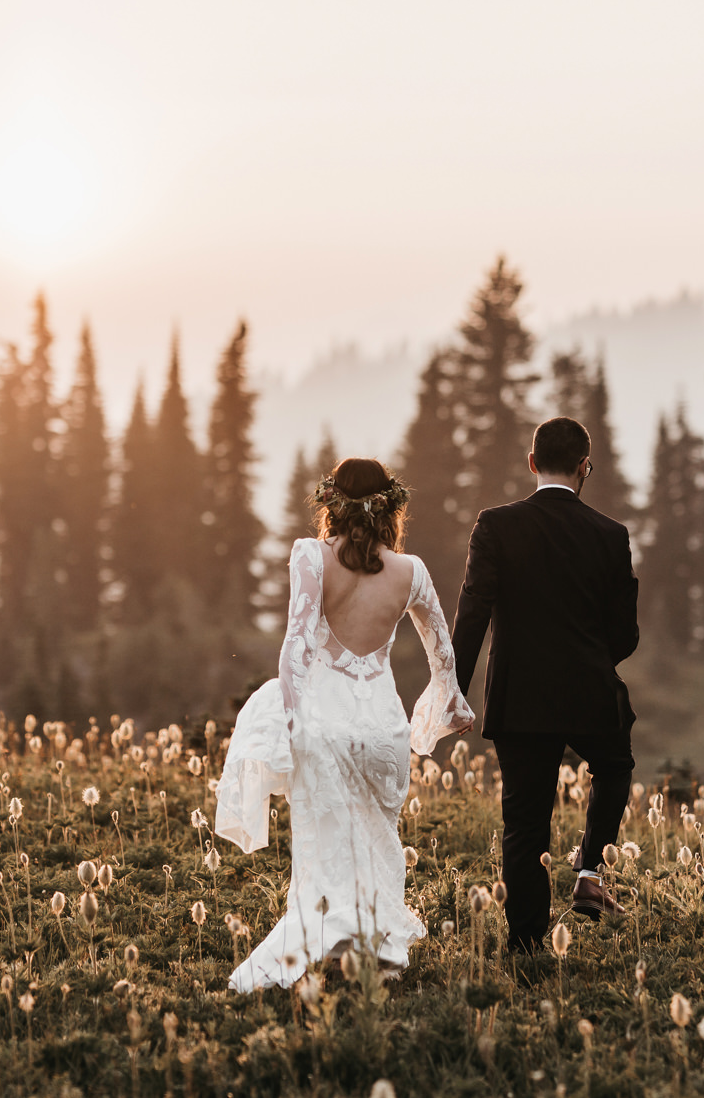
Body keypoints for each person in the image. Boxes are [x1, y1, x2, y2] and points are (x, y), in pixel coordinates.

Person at [215, 457, 474, 992]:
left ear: (330, 502)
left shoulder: (311, 556)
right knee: (378, 841)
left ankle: (326, 952)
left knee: (323, 848)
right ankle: (371, 954)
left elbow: (296, 644)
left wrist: (290, 720)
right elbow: (443, 655)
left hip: (325, 724)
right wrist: (450, 707)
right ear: (391, 508)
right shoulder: (413, 572)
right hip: (382, 728)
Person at [452, 417, 640, 953]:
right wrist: (589, 659)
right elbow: (623, 637)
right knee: (614, 765)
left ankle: (528, 944)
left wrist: (454, 687)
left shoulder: (494, 525)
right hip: (588, 691)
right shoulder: (611, 535)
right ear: (586, 468)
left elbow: (473, 613)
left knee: (525, 820)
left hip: (521, 698)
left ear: (532, 464)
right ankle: (590, 872)